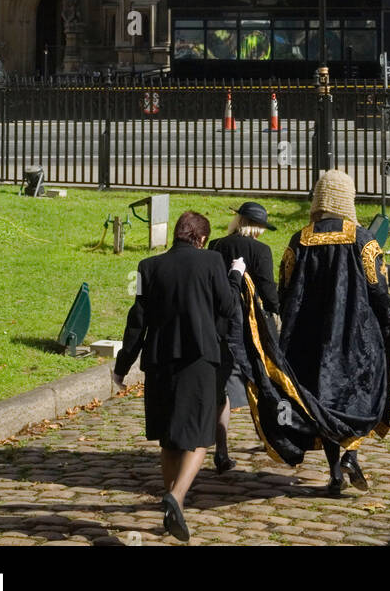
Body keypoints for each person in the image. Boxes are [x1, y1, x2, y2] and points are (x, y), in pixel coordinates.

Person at [113, 210, 244, 542]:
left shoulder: (148, 267)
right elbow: (228, 307)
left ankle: (172, 504)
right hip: (198, 361)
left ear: (177, 235)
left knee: (169, 439)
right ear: (200, 238)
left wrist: (122, 365)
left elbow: (137, 320)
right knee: (199, 437)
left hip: (159, 362)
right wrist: (235, 276)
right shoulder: (213, 261)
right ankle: (177, 497)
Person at [278, 170, 390, 496]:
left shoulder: (299, 240)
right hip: (358, 337)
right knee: (360, 396)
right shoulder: (363, 241)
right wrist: (387, 324)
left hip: (313, 340)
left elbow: (286, 291)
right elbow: (379, 290)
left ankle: (334, 474)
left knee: (325, 401)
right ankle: (352, 455)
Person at [208, 201, 279, 475]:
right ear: (258, 227)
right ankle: (268, 438)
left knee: (221, 387)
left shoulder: (216, 245)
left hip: (220, 324)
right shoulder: (261, 250)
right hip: (251, 325)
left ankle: (221, 450)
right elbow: (268, 291)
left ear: (238, 221)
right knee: (262, 381)